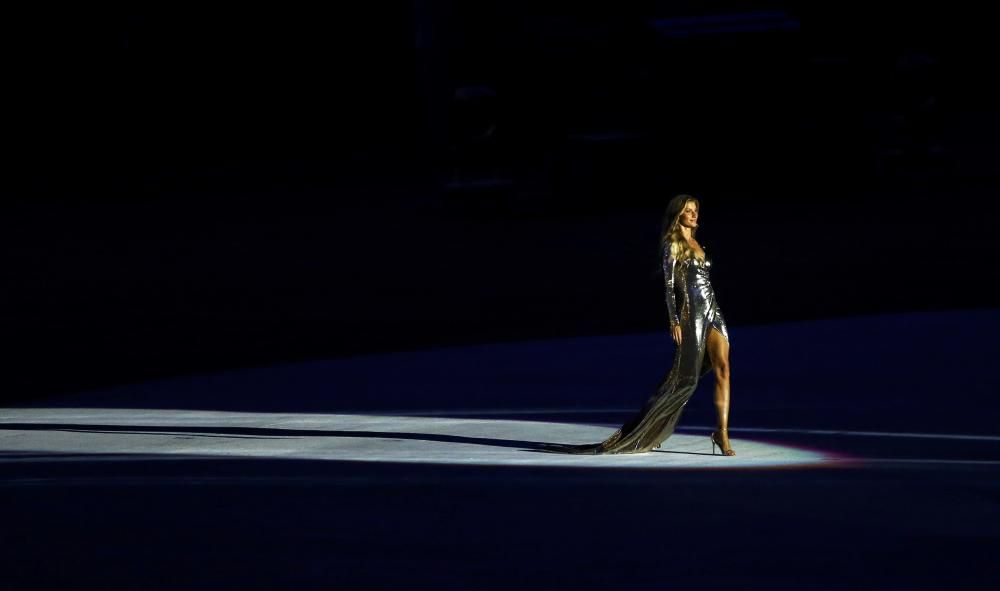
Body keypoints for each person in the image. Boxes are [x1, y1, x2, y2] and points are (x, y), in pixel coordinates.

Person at [542, 194, 735, 455]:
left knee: (723, 368)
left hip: (713, 310)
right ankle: (650, 428)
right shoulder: (673, 244)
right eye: (688, 210)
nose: (693, 214)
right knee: (686, 380)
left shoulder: (698, 243)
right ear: (677, 214)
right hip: (692, 315)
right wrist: (674, 321)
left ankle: (721, 434)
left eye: (695, 210)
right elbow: (669, 288)